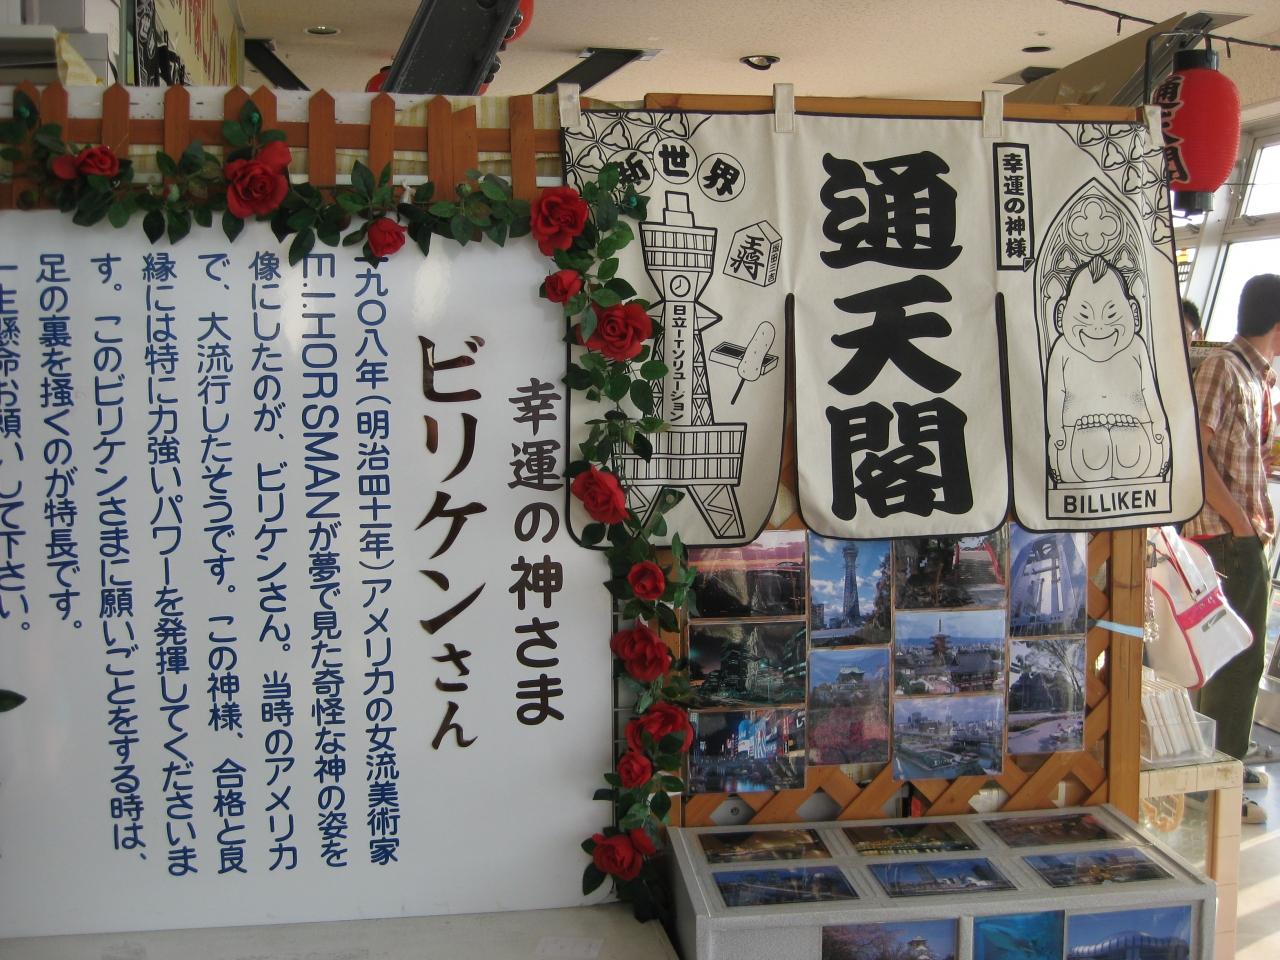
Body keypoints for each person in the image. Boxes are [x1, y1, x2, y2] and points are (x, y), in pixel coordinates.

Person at [1182, 273, 1280, 823]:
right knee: (1234, 663)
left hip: (1240, 533)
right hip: (1226, 537)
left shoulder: (1255, 376)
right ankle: (1214, 784)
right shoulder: (1225, 368)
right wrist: (1241, 523)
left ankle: (1223, 768)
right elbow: (1195, 453)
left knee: (1236, 659)